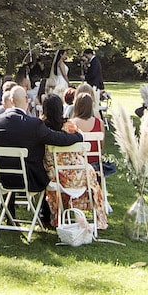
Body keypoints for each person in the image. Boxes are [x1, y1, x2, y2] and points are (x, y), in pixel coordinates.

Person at [0, 84, 83, 194]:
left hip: (1, 179)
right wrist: (78, 136)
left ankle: (9, 209)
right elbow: (58, 138)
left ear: (11, 101)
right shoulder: (34, 124)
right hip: (29, 180)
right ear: (26, 99)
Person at [45, 93, 108, 227]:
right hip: (79, 176)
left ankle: (58, 214)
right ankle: (98, 217)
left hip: (56, 176)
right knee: (93, 181)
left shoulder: (42, 127)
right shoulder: (70, 127)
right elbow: (81, 150)